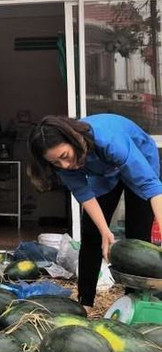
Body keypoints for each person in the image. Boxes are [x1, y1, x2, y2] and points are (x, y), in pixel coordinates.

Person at [27, 113, 162, 309]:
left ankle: (132, 302)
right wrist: (105, 231)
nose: (65, 165)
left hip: (139, 158)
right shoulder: (63, 164)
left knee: (138, 237)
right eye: (56, 162)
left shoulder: (109, 140)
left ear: (74, 139)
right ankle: (85, 302)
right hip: (104, 172)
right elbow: (83, 192)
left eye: (65, 156)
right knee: (91, 234)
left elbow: (150, 186)